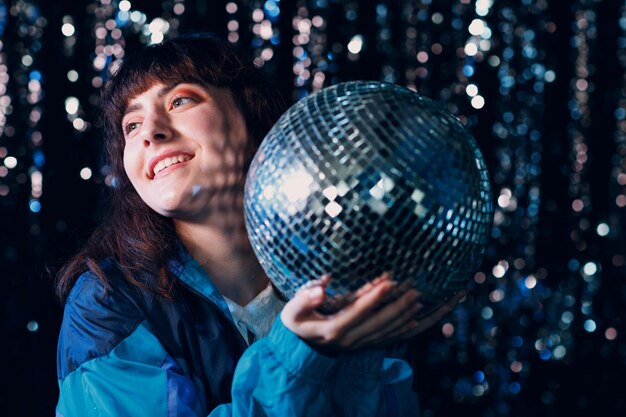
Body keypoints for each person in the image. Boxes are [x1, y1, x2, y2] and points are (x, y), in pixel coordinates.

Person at [55, 33, 464, 417]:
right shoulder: (104, 304)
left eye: (180, 101)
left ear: (250, 119)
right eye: (131, 125)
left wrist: (358, 356)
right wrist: (299, 355)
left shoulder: (344, 273)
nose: (150, 133)